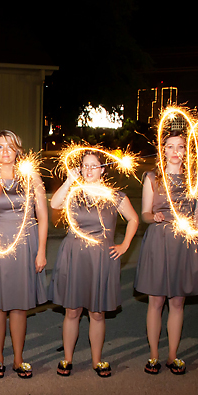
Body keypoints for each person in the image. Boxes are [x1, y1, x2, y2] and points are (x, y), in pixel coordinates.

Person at [49, 151, 139, 377]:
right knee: (72, 310)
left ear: (103, 169)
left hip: (100, 259)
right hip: (74, 256)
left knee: (97, 312)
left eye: (94, 166)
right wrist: (70, 179)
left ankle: (97, 360)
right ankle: (67, 359)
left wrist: (125, 244)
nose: (88, 170)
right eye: (84, 166)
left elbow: (134, 219)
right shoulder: (73, 193)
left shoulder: (115, 196)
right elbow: (55, 203)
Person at [135, 131, 198, 375]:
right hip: (159, 241)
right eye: (170, 147)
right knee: (156, 301)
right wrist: (153, 216)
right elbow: (145, 213)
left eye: (180, 147)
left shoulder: (196, 180)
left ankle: (172, 356)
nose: (176, 152)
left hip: (184, 245)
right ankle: (153, 356)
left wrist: (197, 230)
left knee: (177, 301)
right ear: (163, 150)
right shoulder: (152, 178)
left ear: (186, 151)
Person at [0, 130, 49, 379]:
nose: (5, 151)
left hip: (23, 245)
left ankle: (18, 358)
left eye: (9, 146)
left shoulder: (32, 177)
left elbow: (42, 216)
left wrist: (41, 251)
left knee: (19, 306)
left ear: (18, 149)